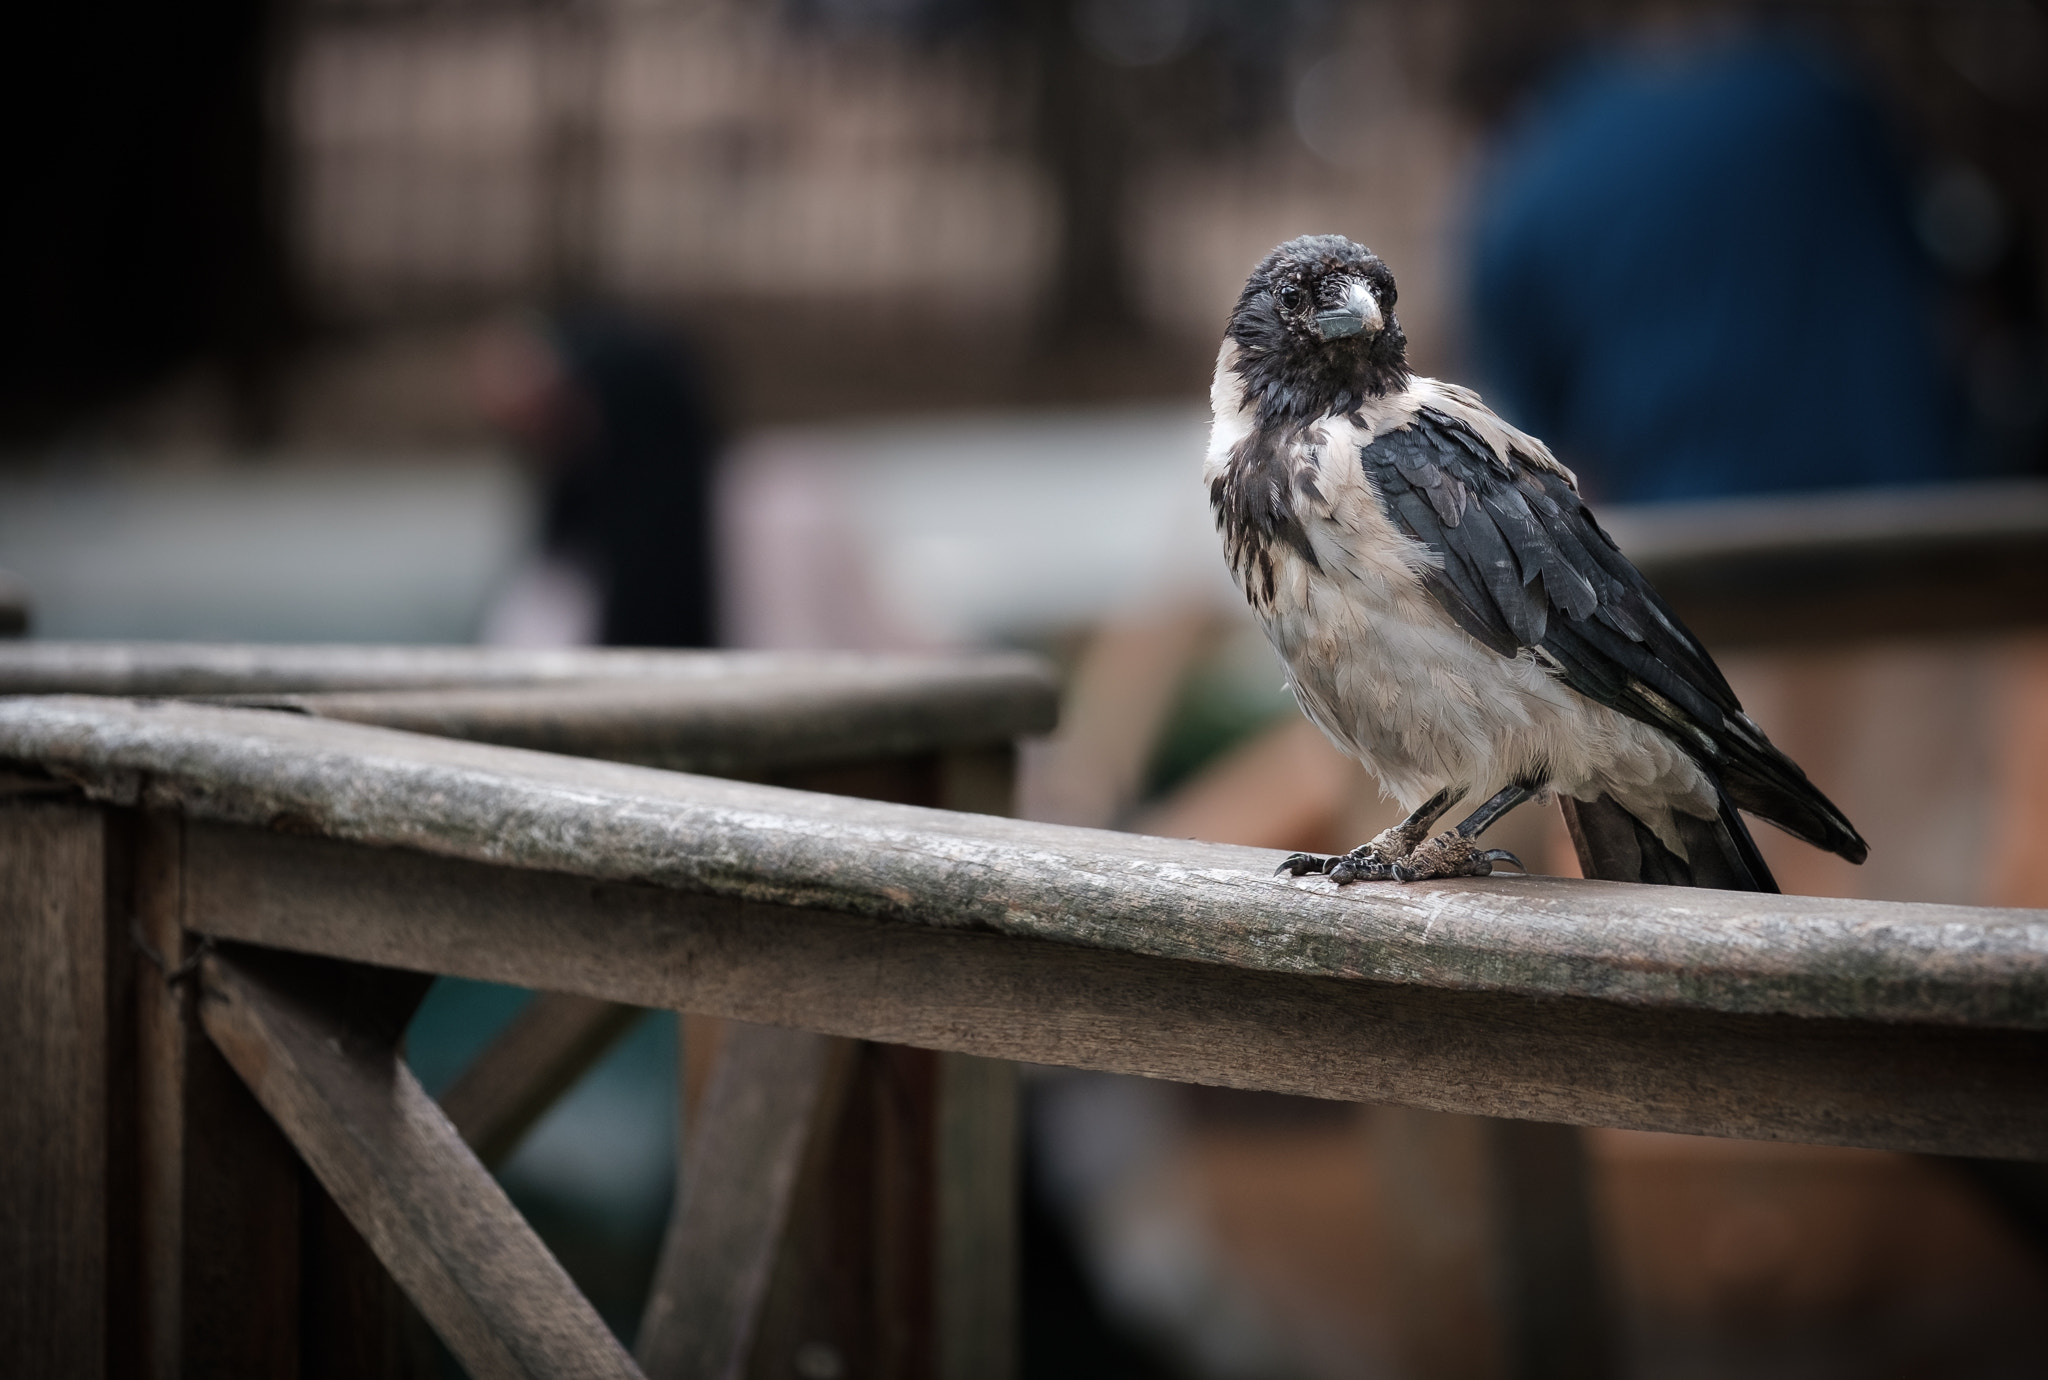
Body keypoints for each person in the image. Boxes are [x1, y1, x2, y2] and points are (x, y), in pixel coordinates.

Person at [1466, 31, 1965, 502]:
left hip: (1701, 533)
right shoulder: (1810, 89)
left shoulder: (1525, 191)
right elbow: (1938, 274)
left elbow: (1546, 456)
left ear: (1504, 109)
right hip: (1911, 510)